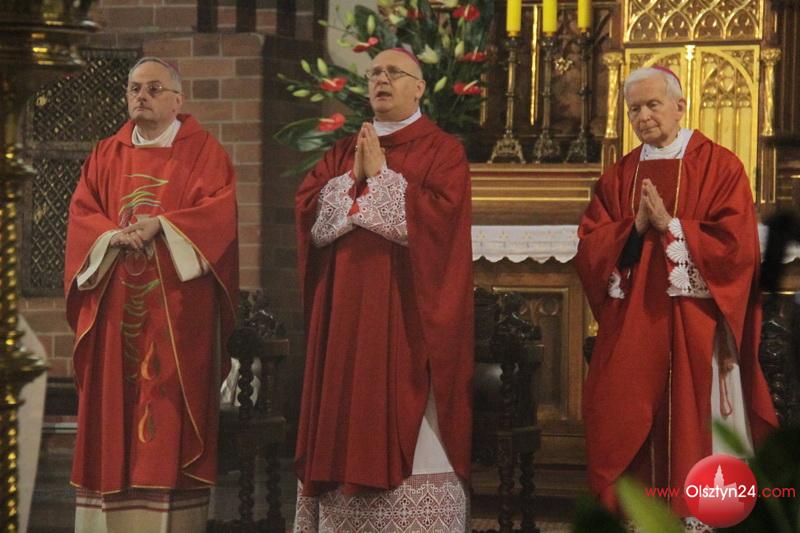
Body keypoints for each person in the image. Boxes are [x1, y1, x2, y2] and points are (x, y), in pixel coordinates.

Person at [575, 66, 778, 522]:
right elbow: (590, 247)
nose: (643, 116)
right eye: (634, 109)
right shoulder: (619, 175)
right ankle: (638, 517)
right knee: (624, 416)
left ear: (680, 106)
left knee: (695, 423)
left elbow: (737, 247)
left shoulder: (720, 166)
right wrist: (634, 228)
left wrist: (672, 226)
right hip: (635, 329)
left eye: (653, 105)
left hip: (697, 327)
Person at [293, 48, 474, 532]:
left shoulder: (443, 151)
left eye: (394, 72)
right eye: (374, 72)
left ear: (420, 87)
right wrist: (353, 177)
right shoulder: (343, 150)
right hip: (345, 317)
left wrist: (380, 178)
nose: (381, 79)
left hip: (407, 315)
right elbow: (308, 208)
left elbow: (442, 221)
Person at [64, 56, 238, 532]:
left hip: (177, 316)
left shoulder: (205, 153)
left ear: (178, 99)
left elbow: (219, 218)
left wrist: (161, 225)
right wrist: (110, 236)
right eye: (134, 88)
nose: (141, 96)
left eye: (154, 88)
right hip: (114, 310)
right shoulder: (106, 154)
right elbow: (82, 215)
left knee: (166, 415)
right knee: (112, 410)